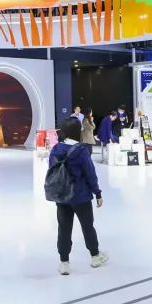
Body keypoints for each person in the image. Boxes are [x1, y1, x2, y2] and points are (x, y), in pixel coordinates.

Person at [48, 117, 106, 275]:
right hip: (81, 197)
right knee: (87, 227)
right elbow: (90, 173)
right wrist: (97, 192)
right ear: (77, 131)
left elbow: (52, 170)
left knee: (63, 229)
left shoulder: (56, 149)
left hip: (62, 197)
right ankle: (95, 256)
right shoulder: (81, 150)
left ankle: (64, 263)